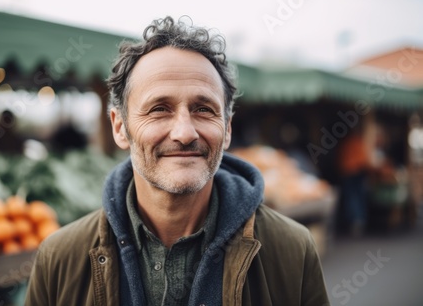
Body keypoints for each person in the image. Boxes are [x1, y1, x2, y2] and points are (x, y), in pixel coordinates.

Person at [25, 17, 330, 306]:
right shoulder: (59, 258)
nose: (184, 133)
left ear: (227, 130)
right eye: (159, 109)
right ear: (120, 127)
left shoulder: (292, 250)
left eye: (203, 109)